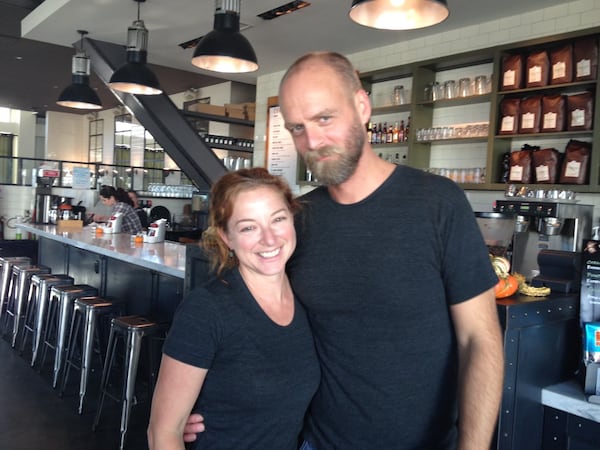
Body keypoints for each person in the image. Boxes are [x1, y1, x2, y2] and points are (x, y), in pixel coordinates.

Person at [184, 52, 504, 449]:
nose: (313, 142)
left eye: (324, 118)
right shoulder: (297, 222)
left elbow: (480, 340)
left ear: (362, 106)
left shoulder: (438, 204)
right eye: (297, 128)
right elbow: (248, 324)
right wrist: (202, 403)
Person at [147, 168, 320, 450]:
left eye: (277, 219)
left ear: (292, 219)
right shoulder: (206, 310)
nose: (269, 239)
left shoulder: (306, 296)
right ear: (227, 237)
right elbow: (163, 433)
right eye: (248, 227)